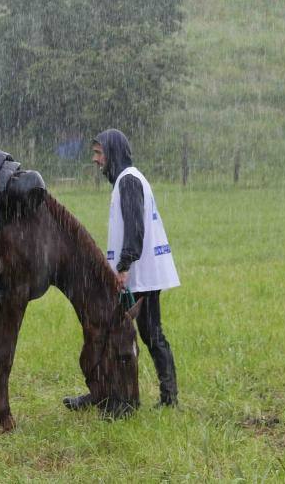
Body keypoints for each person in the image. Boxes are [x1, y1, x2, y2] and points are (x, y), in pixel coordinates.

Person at [64, 128, 180, 410]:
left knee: (151, 334)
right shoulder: (127, 180)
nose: (95, 159)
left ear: (112, 153)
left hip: (141, 273)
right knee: (116, 334)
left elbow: (135, 227)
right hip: (139, 272)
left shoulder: (128, 181)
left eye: (99, 153)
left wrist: (125, 264)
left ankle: (168, 399)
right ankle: (102, 393)